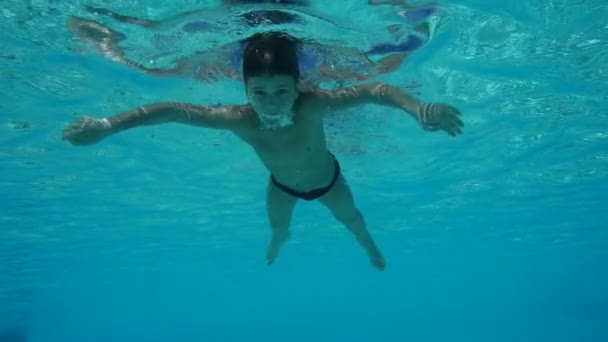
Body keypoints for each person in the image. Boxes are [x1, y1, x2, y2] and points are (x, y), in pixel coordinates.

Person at [62, 31, 463, 271]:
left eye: (281, 92)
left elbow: (376, 91)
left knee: (353, 219)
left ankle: (371, 249)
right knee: (279, 227)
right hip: (281, 187)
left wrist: (417, 109)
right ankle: (278, 243)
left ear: (298, 84)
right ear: (245, 91)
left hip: (329, 181)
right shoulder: (240, 119)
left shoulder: (314, 104)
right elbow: (170, 111)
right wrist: (107, 126)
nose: (271, 102)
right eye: (259, 93)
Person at [68, 1, 434, 84]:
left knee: (164, 71)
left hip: (248, 42)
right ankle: (106, 41)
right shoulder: (327, 52)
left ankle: (106, 42)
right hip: (265, 43)